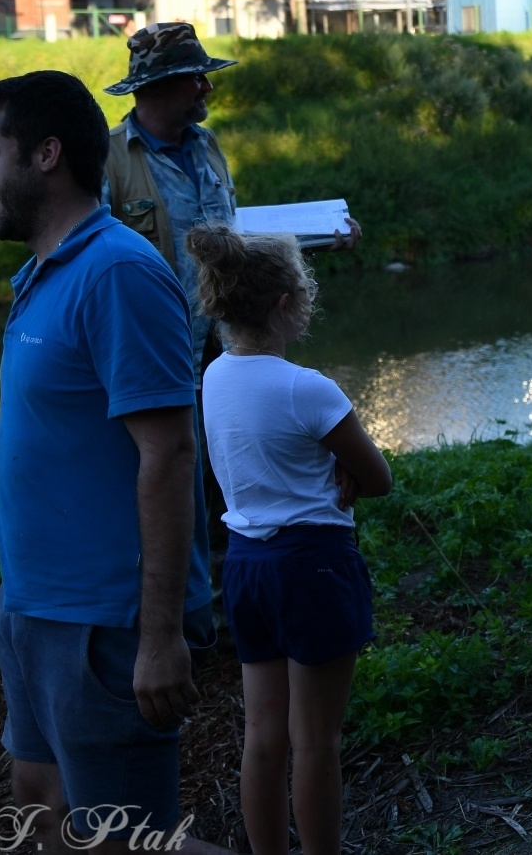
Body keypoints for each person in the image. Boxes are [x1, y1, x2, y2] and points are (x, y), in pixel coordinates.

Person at [0, 70, 230, 852]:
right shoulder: (47, 270)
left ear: (46, 155)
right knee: (41, 801)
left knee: (123, 841)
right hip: (32, 608)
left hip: (106, 627)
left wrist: (159, 637)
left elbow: (171, 450)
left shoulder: (117, 272)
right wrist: (16, 600)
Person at [102, 21, 361, 565]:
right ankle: (186, 599)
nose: (208, 88)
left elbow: (232, 235)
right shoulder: (111, 160)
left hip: (228, 343)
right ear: (159, 86)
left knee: (230, 466)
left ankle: (235, 584)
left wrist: (313, 238)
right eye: (197, 78)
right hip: (157, 348)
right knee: (172, 468)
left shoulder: (208, 146)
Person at [186, 224, 392, 855]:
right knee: (316, 742)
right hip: (314, 568)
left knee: (264, 735)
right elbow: (379, 478)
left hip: (246, 568)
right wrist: (345, 471)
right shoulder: (309, 388)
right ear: (284, 305)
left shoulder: (214, 378)